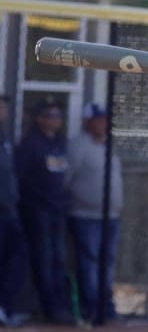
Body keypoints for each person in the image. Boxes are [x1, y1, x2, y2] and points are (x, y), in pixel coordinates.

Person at [15, 96, 73, 324]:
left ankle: (60, 306)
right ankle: (49, 308)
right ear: (39, 119)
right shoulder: (30, 144)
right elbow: (20, 178)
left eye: (59, 115)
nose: (56, 120)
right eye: (51, 116)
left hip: (58, 211)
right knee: (44, 260)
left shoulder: (58, 143)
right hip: (38, 212)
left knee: (59, 259)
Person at [65, 102, 123, 325]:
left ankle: (105, 308)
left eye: (105, 119)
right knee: (89, 263)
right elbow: (65, 179)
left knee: (106, 263)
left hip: (110, 216)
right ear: (88, 122)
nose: (103, 123)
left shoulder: (108, 144)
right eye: (98, 119)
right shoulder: (78, 146)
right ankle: (92, 309)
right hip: (85, 216)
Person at [0, 94, 29, 327]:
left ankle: (5, 308)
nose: (3, 110)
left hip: (9, 210)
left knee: (17, 259)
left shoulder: (4, 137)